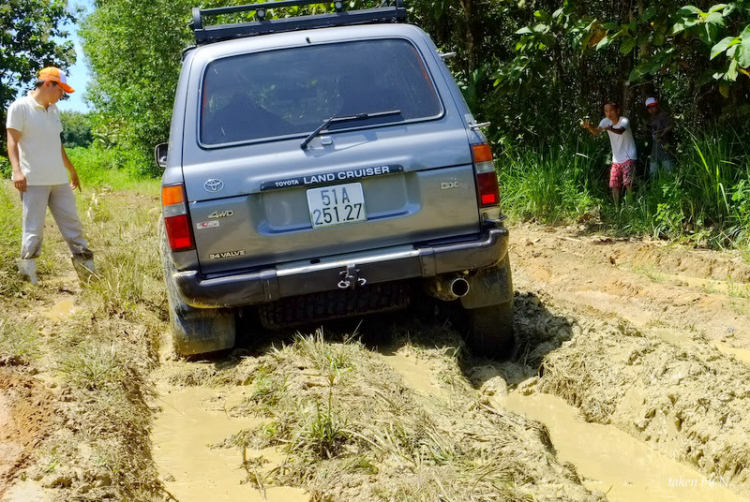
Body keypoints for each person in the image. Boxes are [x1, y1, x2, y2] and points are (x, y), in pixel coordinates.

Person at [6, 67, 94, 285]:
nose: (62, 95)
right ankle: (28, 280)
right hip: (33, 180)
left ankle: (89, 278)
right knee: (33, 230)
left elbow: (57, 143)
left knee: (73, 226)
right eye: (60, 89)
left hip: (59, 180)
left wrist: (71, 170)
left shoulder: (54, 110)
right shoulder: (20, 107)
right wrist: (17, 170)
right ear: (47, 84)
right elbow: (12, 142)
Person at [581, 101, 638, 207]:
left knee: (628, 183)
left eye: (611, 110)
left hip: (629, 155)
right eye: (606, 111)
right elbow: (597, 131)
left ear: (617, 110)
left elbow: (621, 131)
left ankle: (631, 206)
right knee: (614, 183)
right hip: (616, 158)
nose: (609, 113)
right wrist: (589, 127)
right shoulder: (605, 121)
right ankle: (617, 208)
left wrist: (610, 128)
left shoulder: (624, 121)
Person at [645, 97, 675, 176]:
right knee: (653, 173)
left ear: (657, 105)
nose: (651, 109)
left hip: (665, 147)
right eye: (649, 107)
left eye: (653, 106)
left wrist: (662, 134)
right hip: (655, 149)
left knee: (669, 173)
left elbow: (671, 125)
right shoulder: (651, 119)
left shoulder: (663, 116)